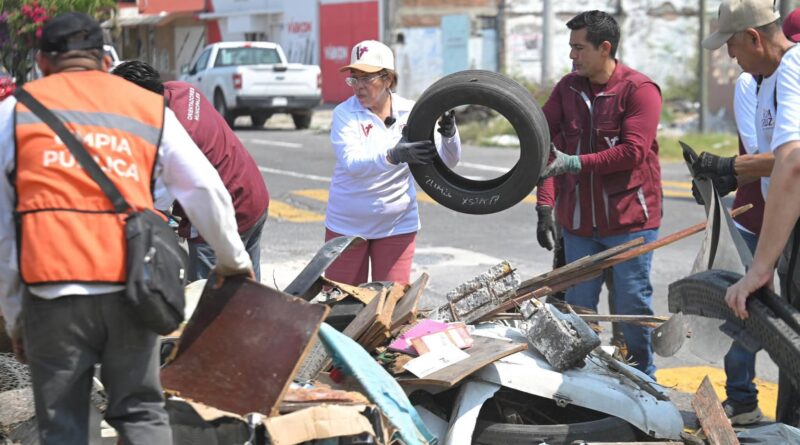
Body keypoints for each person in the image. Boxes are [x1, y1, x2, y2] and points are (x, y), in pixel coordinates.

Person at [0, 12, 254, 444]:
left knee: (63, 423)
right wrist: (233, 261)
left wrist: (14, 316)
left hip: (52, 291)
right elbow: (204, 188)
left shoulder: (13, 113)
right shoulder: (147, 106)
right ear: (103, 60)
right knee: (140, 412)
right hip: (132, 286)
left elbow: (5, 229)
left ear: (42, 63)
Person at [535, 10, 663, 377]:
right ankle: (586, 387)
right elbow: (546, 147)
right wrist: (545, 204)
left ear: (605, 48)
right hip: (578, 227)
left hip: (629, 224)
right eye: (570, 48)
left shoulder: (639, 91)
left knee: (632, 309)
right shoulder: (567, 89)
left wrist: (574, 163)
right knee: (578, 312)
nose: (572, 56)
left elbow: (632, 152)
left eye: (579, 48)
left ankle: (643, 380)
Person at [706, 0, 800, 426]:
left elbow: (792, 163)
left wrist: (759, 267)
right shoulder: (763, 82)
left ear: (753, 37)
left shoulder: (794, 68)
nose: (729, 55)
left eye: (731, 43)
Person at [111, 60, 270, 282]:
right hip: (254, 194)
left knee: (204, 301)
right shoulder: (181, 89)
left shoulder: (173, 133)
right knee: (250, 293)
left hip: (224, 215)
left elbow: (157, 204)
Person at [325, 40, 461, 286]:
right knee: (341, 309)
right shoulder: (344, 114)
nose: (358, 87)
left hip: (397, 226)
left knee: (391, 308)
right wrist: (393, 155)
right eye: (354, 79)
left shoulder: (413, 112)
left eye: (366, 79)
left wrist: (450, 135)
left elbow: (448, 162)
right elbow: (352, 163)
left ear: (388, 79)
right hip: (347, 224)